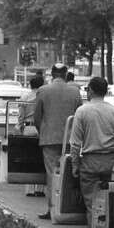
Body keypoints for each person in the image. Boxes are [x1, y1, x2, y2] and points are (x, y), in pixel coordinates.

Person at [70, 76, 114, 228]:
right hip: (112, 162)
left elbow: (75, 143)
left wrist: (75, 165)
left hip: (90, 163)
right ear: (105, 91)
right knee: (110, 205)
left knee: (92, 205)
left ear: (91, 91)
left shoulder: (82, 111)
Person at [33, 63, 83, 220]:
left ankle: (52, 209)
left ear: (52, 74)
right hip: (70, 139)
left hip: (49, 139)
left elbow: (37, 117)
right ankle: (69, 208)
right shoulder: (75, 91)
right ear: (66, 74)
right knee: (68, 173)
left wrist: (43, 131)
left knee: (51, 174)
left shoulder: (43, 90)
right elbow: (79, 115)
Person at [15, 75, 46, 197]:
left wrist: (19, 126)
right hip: (42, 129)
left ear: (30, 85)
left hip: (28, 128)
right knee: (41, 159)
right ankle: (40, 189)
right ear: (42, 85)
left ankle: (29, 189)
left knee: (28, 158)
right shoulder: (44, 96)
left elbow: (21, 116)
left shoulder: (25, 97)